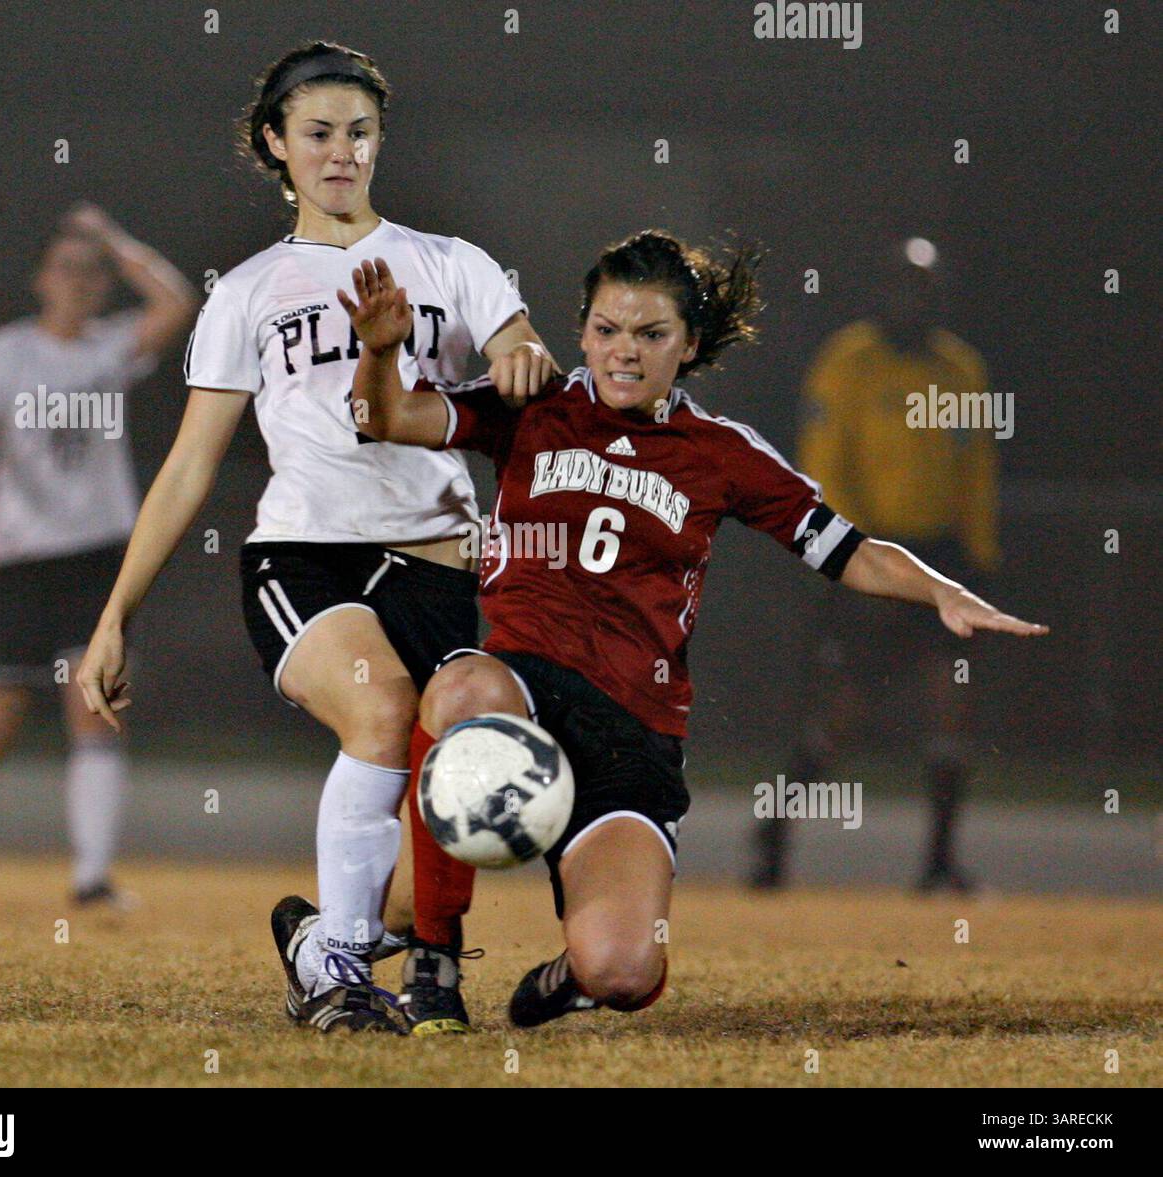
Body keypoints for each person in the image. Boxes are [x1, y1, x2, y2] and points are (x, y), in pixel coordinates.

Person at [339, 231, 1048, 1030]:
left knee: (625, 970)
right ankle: (432, 963)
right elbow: (385, 414)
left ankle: (570, 967)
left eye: (651, 335)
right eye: (607, 329)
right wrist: (379, 352)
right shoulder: (532, 405)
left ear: (691, 344)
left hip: (630, 737)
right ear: (580, 331)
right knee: (460, 688)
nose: (624, 353)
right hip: (523, 697)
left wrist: (944, 590)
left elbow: (848, 549)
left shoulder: (720, 453)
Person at [77, 41, 556, 1034]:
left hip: (441, 559)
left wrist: (523, 357)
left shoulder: (449, 263)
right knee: (381, 708)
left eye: (360, 133)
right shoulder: (249, 289)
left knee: (449, 814)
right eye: (318, 133)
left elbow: (519, 351)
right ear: (277, 145)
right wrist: (114, 616)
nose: (341, 152)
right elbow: (188, 463)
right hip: (306, 553)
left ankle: (333, 934)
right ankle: (332, 970)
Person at [0, 203, 197, 903]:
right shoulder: (7, 351)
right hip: (19, 557)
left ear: (105, 284)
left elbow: (177, 301)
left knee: (95, 705)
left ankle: (91, 876)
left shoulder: (112, 344)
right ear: (40, 278)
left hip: (99, 556)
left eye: (91, 270)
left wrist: (116, 238)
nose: (78, 280)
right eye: (65, 267)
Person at [749, 239, 1000, 892]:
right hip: (872, 554)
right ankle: (774, 836)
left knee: (954, 703)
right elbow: (825, 463)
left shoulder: (961, 368)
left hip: (940, 557)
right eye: (902, 285)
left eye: (925, 288)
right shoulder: (848, 362)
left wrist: (980, 555)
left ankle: (939, 860)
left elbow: (973, 467)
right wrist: (852, 555)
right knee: (843, 713)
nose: (913, 300)